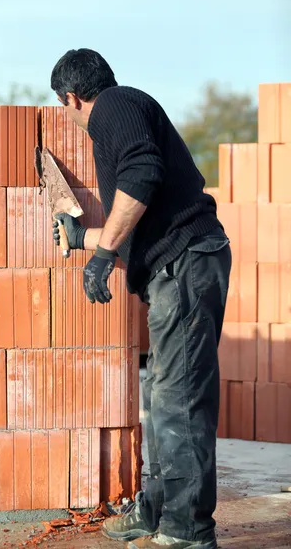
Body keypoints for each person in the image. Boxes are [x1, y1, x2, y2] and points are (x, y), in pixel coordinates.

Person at [49, 49, 231, 549]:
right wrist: (84, 237)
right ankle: (156, 509)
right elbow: (136, 218)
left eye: (67, 108)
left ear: (72, 97)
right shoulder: (124, 110)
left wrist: (102, 255)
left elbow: (141, 176)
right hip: (180, 264)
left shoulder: (115, 105)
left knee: (181, 399)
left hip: (189, 263)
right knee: (163, 397)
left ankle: (189, 531)